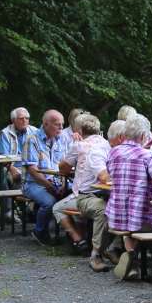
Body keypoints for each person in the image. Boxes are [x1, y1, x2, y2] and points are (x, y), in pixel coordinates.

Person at [104, 114, 152, 279]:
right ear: (143, 136)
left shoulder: (113, 152)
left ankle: (132, 260)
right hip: (143, 219)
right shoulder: (147, 156)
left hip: (117, 217)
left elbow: (109, 177)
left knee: (131, 224)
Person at [54, 114, 112, 266]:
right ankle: (88, 242)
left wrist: (74, 147)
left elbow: (63, 169)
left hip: (85, 195)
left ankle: (79, 240)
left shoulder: (79, 145)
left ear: (79, 130)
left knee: (57, 207)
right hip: (105, 192)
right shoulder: (107, 144)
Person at [18, 110, 72, 242]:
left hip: (58, 181)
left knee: (77, 195)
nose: (61, 128)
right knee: (50, 202)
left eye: (62, 124)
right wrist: (51, 188)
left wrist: (64, 185)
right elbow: (33, 171)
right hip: (33, 183)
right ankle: (39, 232)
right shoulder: (32, 140)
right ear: (46, 124)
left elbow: (66, 166)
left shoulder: (63, 139)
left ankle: (73, 235)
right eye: (57, 124)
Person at [0, 108, 33, 187]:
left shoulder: (35, 132)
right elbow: (2, 157)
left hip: (31, 167)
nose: (24, 120)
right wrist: (12, 169)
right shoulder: (5, 133)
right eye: (21, 118)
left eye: (27, 118)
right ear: (13, 120)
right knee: (5, 176)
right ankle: (11, 198)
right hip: (12, 167)